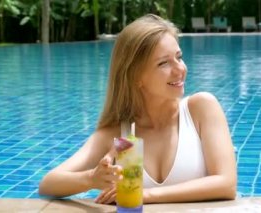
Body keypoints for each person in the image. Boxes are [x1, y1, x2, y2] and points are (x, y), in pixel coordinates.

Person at [39, 14, 237, 204]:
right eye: (163, 63)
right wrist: (92, 178)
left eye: (179, 57)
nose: (180, 69)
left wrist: (147, 195)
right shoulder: (118, 134)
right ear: (135, 76)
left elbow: (226, 184)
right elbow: (48, 185)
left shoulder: (199, 110)